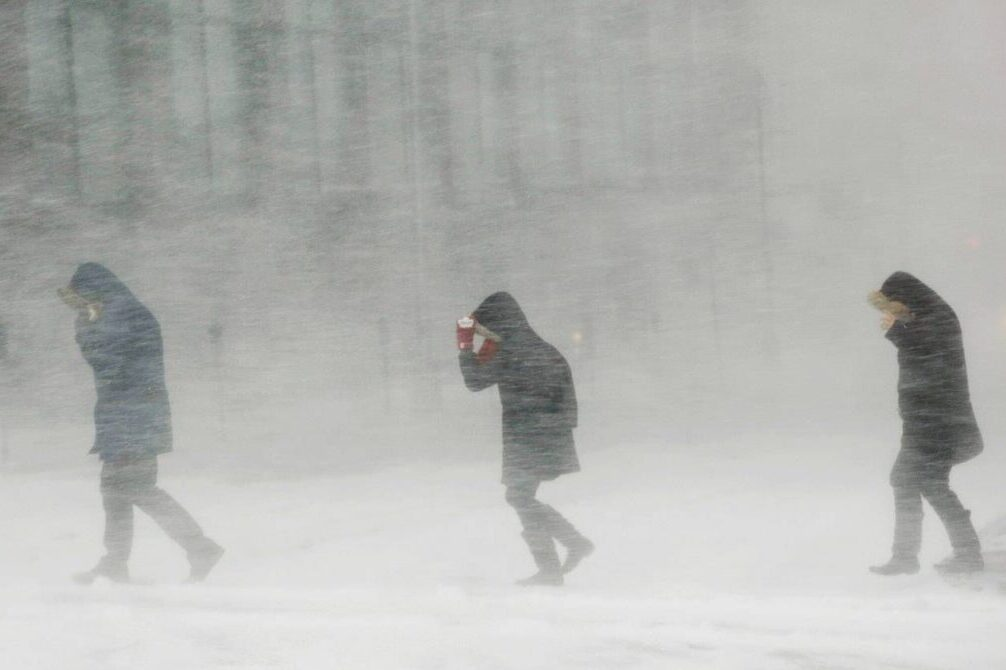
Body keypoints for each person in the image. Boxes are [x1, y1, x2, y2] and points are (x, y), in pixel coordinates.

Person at [60, 263, 223, 584]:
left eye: (82, 297)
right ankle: (116, 561)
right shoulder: (120, 311)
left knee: (135, 488)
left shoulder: (122, 314)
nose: (80, 304)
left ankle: (199, 547)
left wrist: (87, 327)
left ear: (94, 290)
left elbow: (110, 364)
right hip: (128, 416)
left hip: (133, 417)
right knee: (114, 491)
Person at [457, 292, 593, 586]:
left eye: (487, 327)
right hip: (549, 435)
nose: (486, 335)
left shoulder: (509, 352)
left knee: (519, 497)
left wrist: (466, 346)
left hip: (527, 436)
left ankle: (556, 564)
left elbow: (474, 382)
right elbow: (568, 399)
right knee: (521, 497)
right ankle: (567, 551)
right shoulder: (543, 348)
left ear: (500, 323)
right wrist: (559, 430)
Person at [868, 272, 984, 576]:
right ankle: (912, 556)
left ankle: (963, 554)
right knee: (910, 480)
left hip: (940, 422)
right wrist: (900, 325)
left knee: (928, 483)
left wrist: (897, 330)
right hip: (925, 421)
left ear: (907, 296)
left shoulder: (938, 318)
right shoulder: (927, 316)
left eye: (894, 304)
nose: (892, 312)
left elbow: (928, 354)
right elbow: (919, 349)